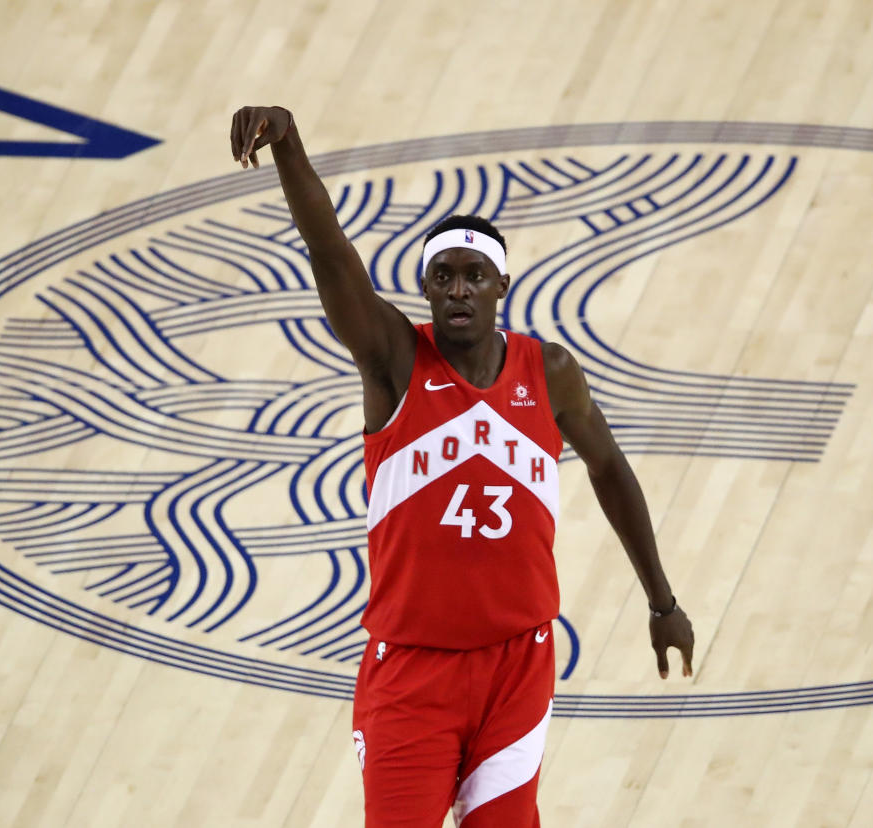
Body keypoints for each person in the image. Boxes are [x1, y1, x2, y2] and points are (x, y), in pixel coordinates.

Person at [229, 106, 694, 827]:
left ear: (501, 287)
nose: (458, 290)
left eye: (474, 275)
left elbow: (610, 470)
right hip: (412, 672)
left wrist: (662, 603)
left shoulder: (552, 373)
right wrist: (289, 148)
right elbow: (332, 252)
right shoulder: (394, 360)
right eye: (442, 276)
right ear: (424, 289)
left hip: (517, 663)